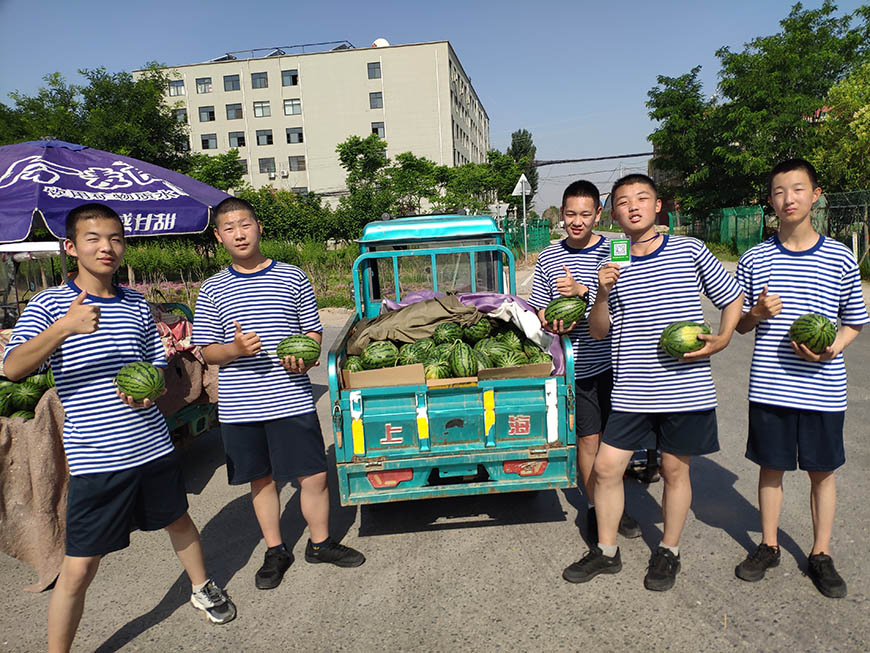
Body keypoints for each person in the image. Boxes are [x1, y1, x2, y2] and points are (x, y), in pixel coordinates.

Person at [3, 203, 236, 653]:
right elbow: (13, 368)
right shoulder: (50, 304)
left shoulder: (134, 304)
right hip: (98, 459)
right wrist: (65, 328)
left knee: (179, 521)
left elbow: (152, 361)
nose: (106, 247)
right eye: (93, 238)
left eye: (115, 238)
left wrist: (148, 393)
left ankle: (202, 586)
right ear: (71, 247)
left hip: (151, 445)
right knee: (79, 566)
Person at [562, 174, 743, 591]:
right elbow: (598, 331)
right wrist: (602, 293)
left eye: (642, 198)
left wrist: (724, 337)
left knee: (676, 471)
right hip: (632, 389)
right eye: (623, 202)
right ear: (614, 213)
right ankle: (606, 551)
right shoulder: (610, 260)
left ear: (658, 205)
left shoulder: (690, 249)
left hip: (686, 388)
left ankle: (668, 550)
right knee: (607, 470)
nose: (634, 207)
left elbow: (731, 297)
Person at [192, 197, 364, 591]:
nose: (239, 233)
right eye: (229, 228)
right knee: (262, 480)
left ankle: (320, 543)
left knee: (315, 476)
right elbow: (205, 350)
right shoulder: (212, 289)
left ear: (259, 227)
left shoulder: (292, 276)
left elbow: (313, 333)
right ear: (219, 237)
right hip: (240, 406)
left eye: (245, 224)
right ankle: (276, 550)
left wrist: (306, 357)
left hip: (291, 398)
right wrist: (233, 350)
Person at [733, 158, 867, 598]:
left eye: (796, 189)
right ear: (769, 200)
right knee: (771, 469)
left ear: (815, 194)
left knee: (821, 472)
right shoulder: (754, 259)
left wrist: (833, 347)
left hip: (824, 390)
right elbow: (740, 326)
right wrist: (755, 313)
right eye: (778, 192)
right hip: (770, 386)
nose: (787, 199)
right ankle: (769, 545)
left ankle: (820, 553)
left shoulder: (840, 257)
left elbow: (854, 321)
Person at [528, 180, 640, 544]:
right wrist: (551, 318)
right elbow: (539, 310)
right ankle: (596, 508)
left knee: (617, 443)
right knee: (589, 441)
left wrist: (584, 291)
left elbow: (630, 295)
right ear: (562, 215)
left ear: (598, 215)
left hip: (622, 361)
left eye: (585, 214)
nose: (578, 221)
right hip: (579, 367)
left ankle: (616, 506)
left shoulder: (617, 248)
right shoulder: (548, 257)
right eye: (571, 214)